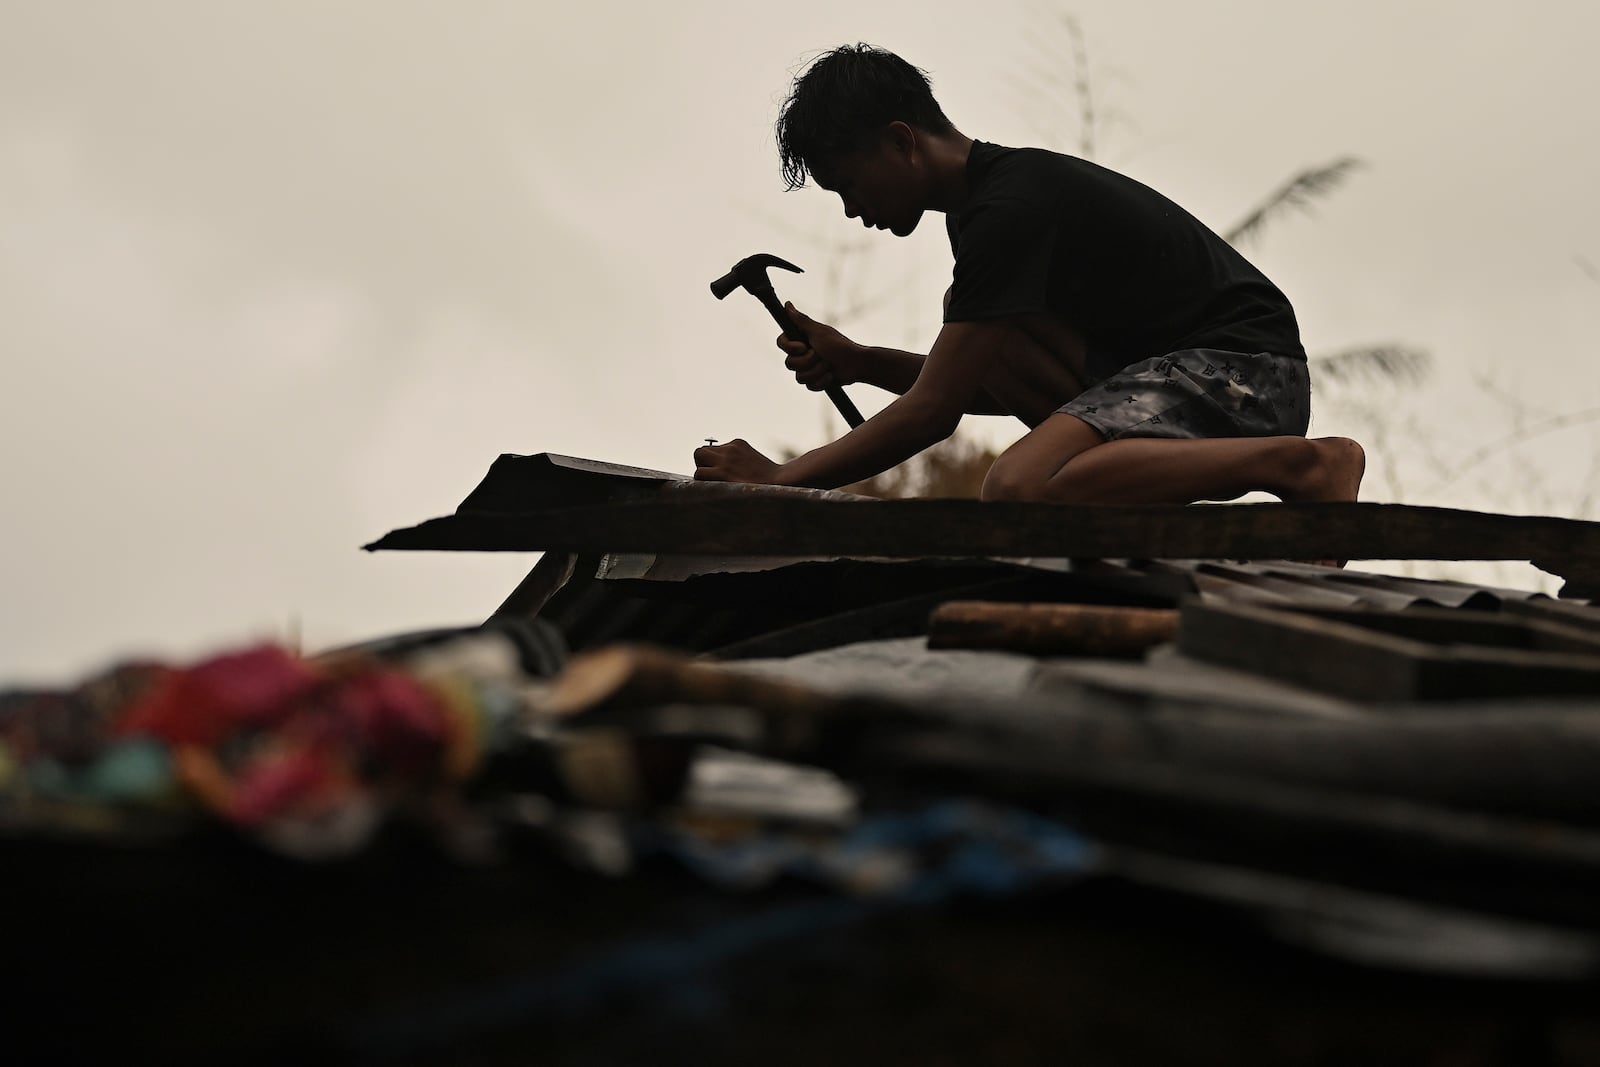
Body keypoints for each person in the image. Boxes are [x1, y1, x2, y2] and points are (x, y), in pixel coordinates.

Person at [693, 43, 1364, 510]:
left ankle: (1303, 464)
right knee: (994, 333)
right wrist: (861, 362)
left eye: (848, 183)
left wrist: (781, 477)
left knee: (1018, 485)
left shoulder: (1008, 210)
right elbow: (974, 381)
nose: (851, 207)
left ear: (902, 142)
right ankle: (1114, 499)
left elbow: (933, 412)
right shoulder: (981, 214)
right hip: (1162, 374)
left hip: (1244, 374)